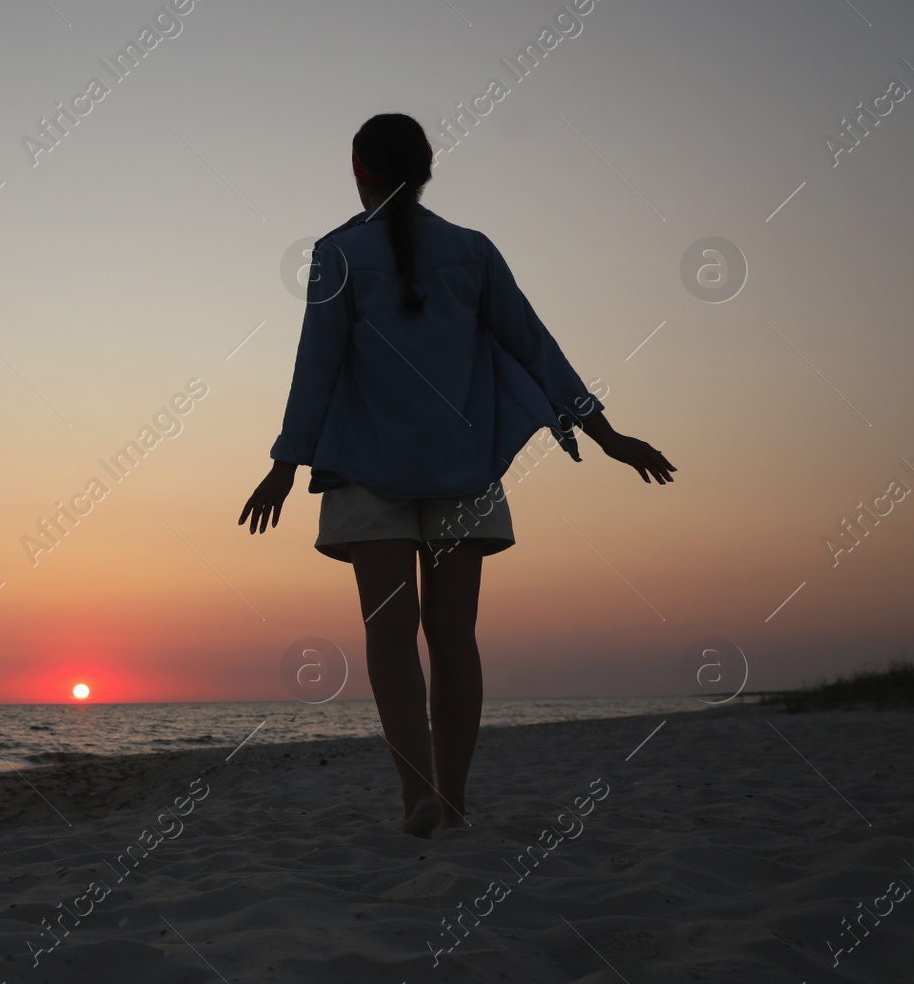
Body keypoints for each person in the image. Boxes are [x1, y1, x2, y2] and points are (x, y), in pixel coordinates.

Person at [239, 113, 675, 838]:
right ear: (428, 169)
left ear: (359, 168)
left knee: (391, 634)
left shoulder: (337, 253)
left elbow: (316, 366)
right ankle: (456, 801)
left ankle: (418, 797)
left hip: (366, 470)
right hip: (464, 470)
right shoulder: (473, 252)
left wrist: (284, 465)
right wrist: (606, 434)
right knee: (452, 633)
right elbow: (537, 347)